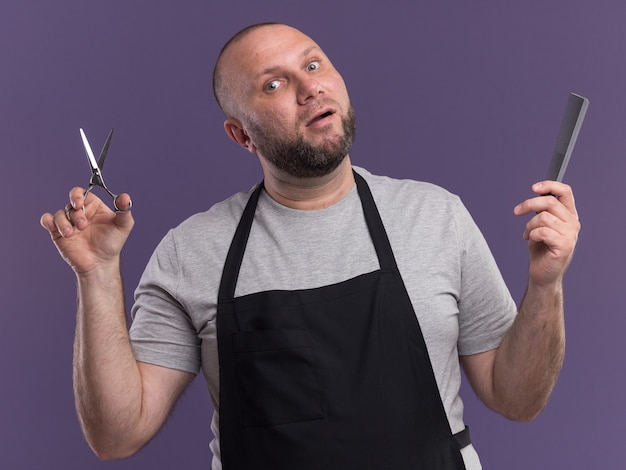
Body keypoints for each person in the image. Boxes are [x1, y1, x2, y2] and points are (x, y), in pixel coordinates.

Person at [40, 22, 580, 470]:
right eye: (273, 85)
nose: (309, 88)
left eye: (314, 64)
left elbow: (518, 399)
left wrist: (546, 284)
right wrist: (98, 273)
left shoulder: (435, 217)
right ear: (241, 135)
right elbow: (117, 435)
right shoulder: (191, 253)